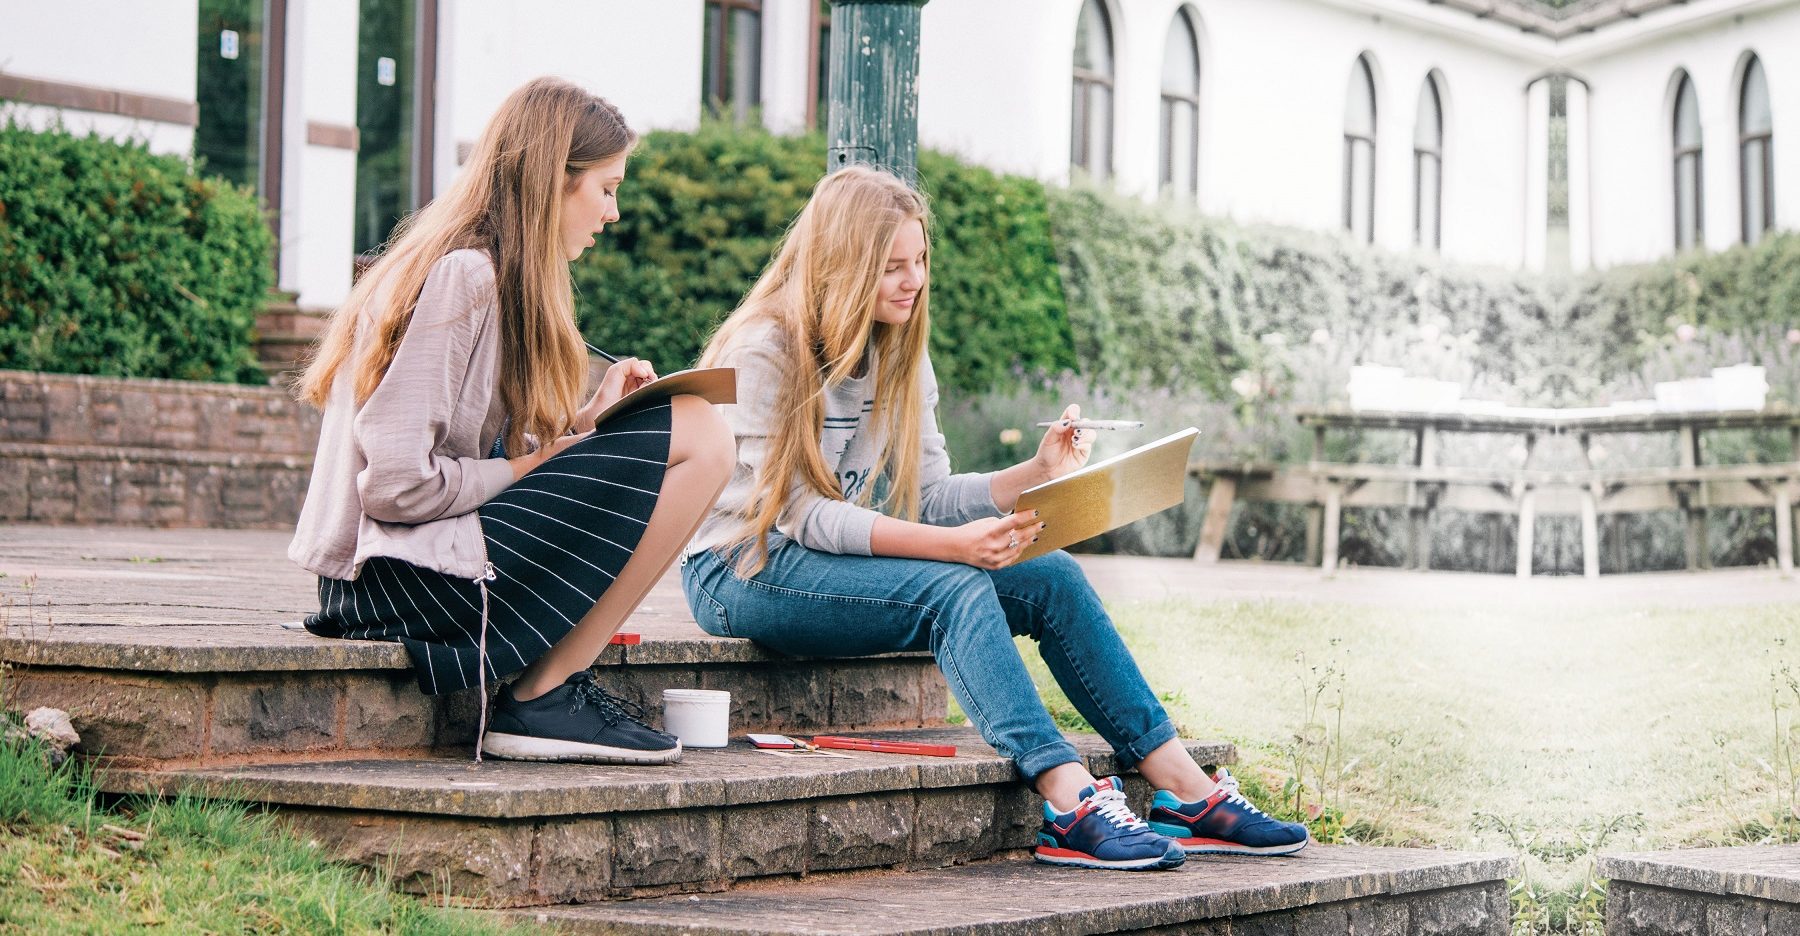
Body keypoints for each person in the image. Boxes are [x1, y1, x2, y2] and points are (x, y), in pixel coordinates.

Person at [680, 165, 1307, 870]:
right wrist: (951, 549)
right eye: (890, 266)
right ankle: (1068, 800)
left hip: (819, 555)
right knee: (953, 587)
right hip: (741, 566)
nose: (912, 280)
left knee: (1051, 577)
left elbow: (932, 493)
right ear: (841, 266)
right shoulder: (765, 350)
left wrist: (1034, 475)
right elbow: (798, 515)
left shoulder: (899, 351)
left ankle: (1185, 790)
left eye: (919, 260)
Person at [289, 77, 734, 765]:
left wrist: (589, 423)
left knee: (686, 427)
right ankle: (545, 698)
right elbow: (397, 484)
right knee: (700, 435)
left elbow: (481, 449)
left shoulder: (489, 272)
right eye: (607, 188)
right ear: (555, 179)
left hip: (413, 565)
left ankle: (549, 695)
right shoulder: (463, 276)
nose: (613, 212)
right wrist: (527, 467)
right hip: (390, 580)